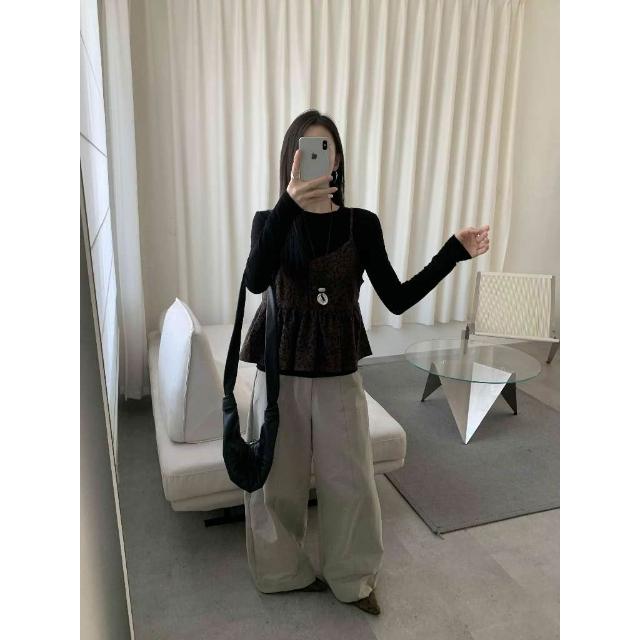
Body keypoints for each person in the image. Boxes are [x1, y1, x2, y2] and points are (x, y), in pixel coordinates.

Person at [238, 109, 490, 615]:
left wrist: (452, 253)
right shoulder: (270, 221)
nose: (317, 158)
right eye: (306, 149)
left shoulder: (361, 224)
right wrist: (289, 204)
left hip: (338, 370)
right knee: (276, 482)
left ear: (337, 160)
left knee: (350, 482)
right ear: (291, 159)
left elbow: (396, 298)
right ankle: (279, 571)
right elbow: (256, 281)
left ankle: (352, 577)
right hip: (280, 371)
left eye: (325, 148)